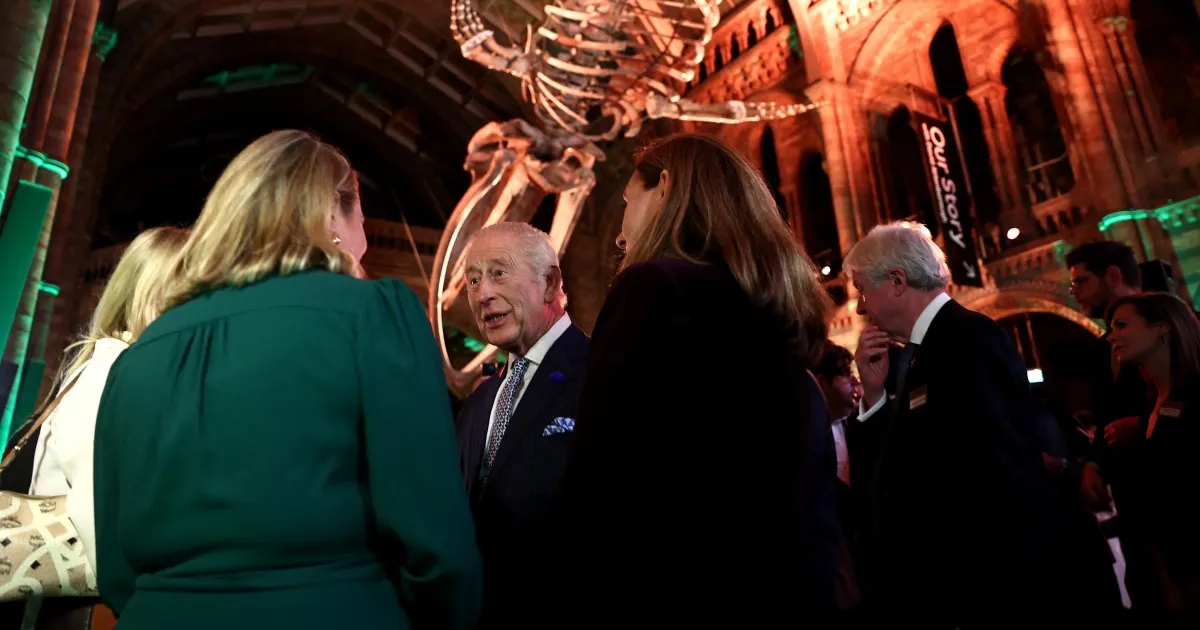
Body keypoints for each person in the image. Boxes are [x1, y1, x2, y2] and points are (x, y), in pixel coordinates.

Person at [92, 130, 481, 630]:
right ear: (333, 216)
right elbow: (434, 535)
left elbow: (118, 566)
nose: (364, 222)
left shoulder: (140, 353)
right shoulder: (373, 314)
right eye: (360, 207)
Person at [540, 133, 840, 627]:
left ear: (666, 187)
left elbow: (601, 478)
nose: (619, 233)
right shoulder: (776, 312)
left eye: (626, 201)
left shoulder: (655, 289)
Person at [848, 222, 1058, 628]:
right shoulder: (915, 355)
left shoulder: (969, 339)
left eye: (861, 291)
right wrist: (874, 398)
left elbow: (999, 471)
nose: (859, 307)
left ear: (896, 281)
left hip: (985, 590)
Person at [0, 226, 186, 630]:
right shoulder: (111, 370)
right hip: (74, 611)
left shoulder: (118, 368)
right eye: (187, 298)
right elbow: (98, 515)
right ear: (151, 295)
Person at [453, 222, 589, 629]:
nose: (482, 294)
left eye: (498, 272)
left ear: (550, 283)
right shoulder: (479, 402)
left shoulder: (602, 376)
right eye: (473, 280)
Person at [1107, 293, 1200, 627]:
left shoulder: (1193, 396)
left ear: (1162, 328)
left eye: (1121, 325)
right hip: (1166, 569)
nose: (1111, 335)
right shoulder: (1151, 405)